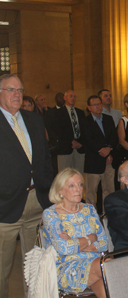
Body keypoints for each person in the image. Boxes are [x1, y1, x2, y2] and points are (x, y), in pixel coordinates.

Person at [0, 74, 53, 297]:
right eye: (10, 90)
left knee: (33, 266)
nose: (16, 94)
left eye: (20, 90)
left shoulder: (34, 120)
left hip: (36, 202)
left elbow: (45, 160)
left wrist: (50, 192)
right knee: (2, 268)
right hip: (5, 206)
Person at [42, 168, 107, 297]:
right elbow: (65, 249)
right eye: (71, 185)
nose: (78, 189)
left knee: (106, 286)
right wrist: (91, 237)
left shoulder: (89, 209)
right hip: (67, 267)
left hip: (94, 262)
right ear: (60, 191)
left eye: (80, 185)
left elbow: (104, 242)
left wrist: (75, 241)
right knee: (108, 267)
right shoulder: (51, 214)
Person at [80, 95, 118, 212]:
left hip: (109, 159)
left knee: (109, 190)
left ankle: (108, 214)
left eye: (99, 104)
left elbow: (114, 137)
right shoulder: (85, 121)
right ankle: (91, 215)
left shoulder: (108, 119)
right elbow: (88, 140)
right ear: (89, 107)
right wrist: (104, 151)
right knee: (91, 192)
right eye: (95, 105)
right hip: (94, 160)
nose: (98, 107)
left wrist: (109, 149)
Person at [52, 90, 86, 173]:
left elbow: (84, 129)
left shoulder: (80, 112)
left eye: (74, 96)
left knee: (79, 173)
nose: (73, 98)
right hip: (65, 148)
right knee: (64, 174)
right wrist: (71, 141)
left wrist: (80, 142)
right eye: (70, 96)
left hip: (79, 147)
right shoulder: (58, 113)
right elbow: (58, 130)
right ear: (65, 98)